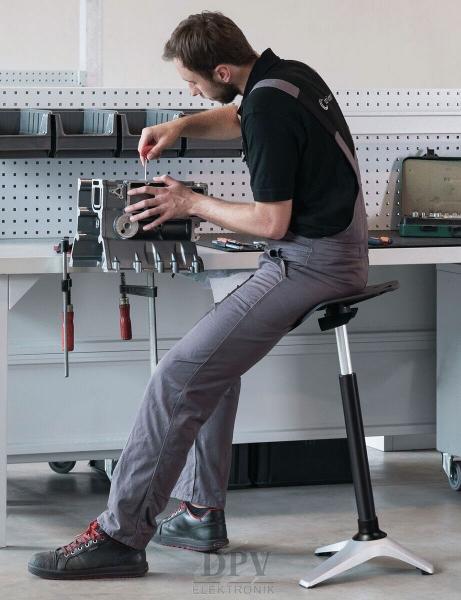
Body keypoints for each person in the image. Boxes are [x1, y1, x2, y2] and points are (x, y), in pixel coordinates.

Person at [28, 11, 368, 580]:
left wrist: (189, 203)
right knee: (214, 366)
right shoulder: (285, 77)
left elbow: (270, 221)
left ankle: (120, 536)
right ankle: (199, 512)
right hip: (328, 253)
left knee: (177, 376)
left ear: (223, 68)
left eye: (191, 83)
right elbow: (236, 116)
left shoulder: (267, 104)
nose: (188, 91)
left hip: (312, 262)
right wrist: (180, 124)